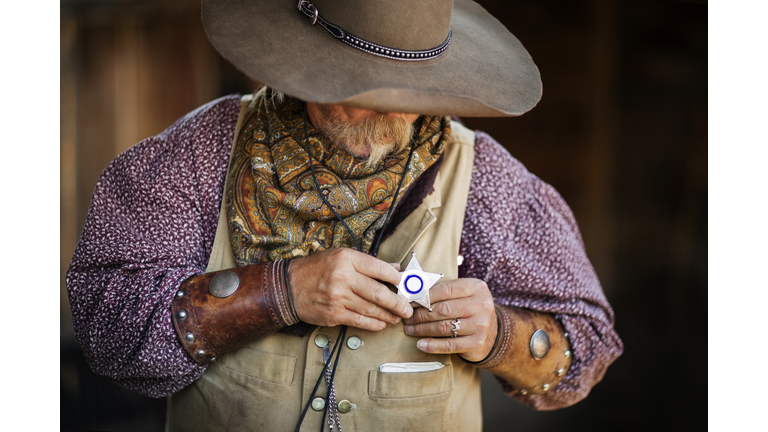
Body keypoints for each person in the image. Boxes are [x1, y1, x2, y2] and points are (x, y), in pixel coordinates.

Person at [67, 1, 623, 431]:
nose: (384, 114)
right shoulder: (197, 157)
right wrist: (278, 292)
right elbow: (106, 330)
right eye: (357, 86)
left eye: (406, 91)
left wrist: (499, 334)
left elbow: (584, 348)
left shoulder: (487, 182)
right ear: (299, 61)